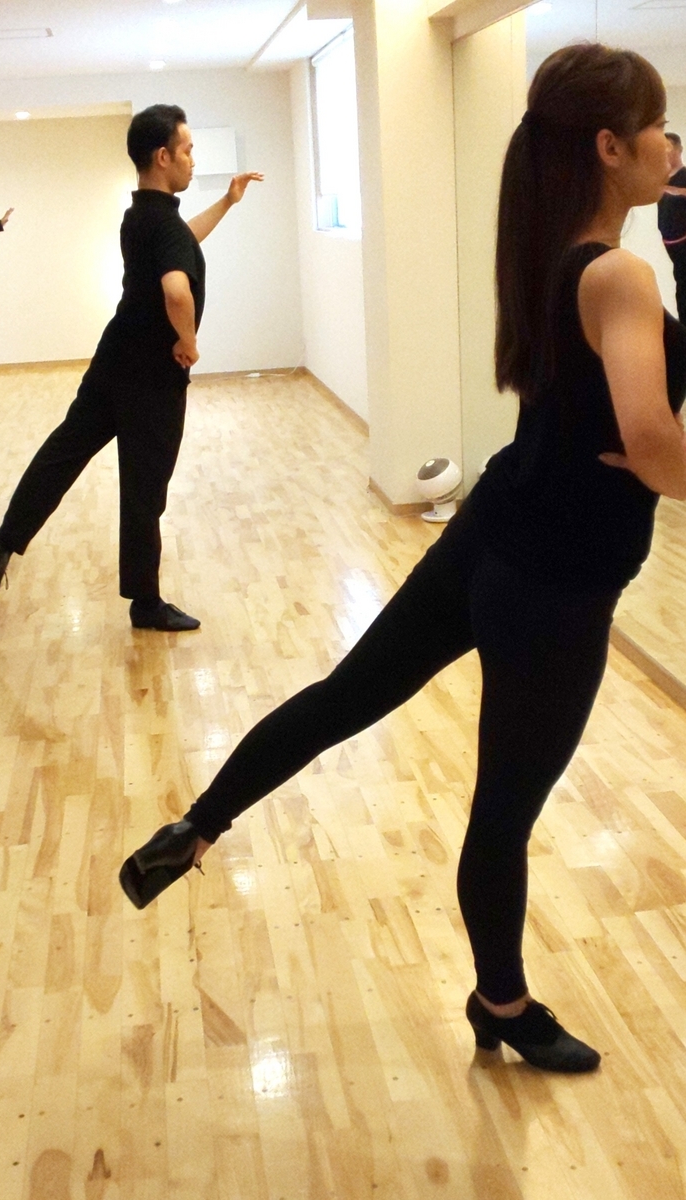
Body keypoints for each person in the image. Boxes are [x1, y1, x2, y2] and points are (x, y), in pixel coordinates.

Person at [120, 45, 686, 1072]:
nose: (671, 143)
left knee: (347, 695)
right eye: (658, 127)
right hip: (559, 579)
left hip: (493, 526)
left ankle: (195, 828)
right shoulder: (619, 273)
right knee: (501, 812)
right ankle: (501, 1004)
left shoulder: (552, 253)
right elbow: (649, 441)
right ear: (611, 147)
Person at [0, 107, 262, 630]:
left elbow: (181, 242)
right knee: (144, 491)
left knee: (63, 453)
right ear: (163, 156)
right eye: (188, 150)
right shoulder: (163, 224)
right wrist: (189, 341)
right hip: (152, 378)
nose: (193, 160)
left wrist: (226, 202)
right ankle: (145, 603)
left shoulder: (141, 214)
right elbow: (176, 290)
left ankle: (3, 545)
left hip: (114, 361)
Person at [658, 131, 686, 323]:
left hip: (684, 240)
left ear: (679, 149)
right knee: (681, 284)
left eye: (668, 147)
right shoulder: (662, 179)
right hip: (670, 242)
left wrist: (673, 190)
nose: (665, 152)